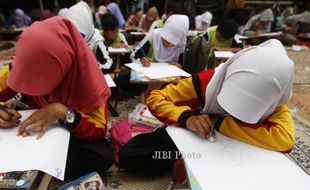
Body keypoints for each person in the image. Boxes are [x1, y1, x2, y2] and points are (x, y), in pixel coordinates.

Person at [119, 39, 295, 176]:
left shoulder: (275, 101)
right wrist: (187, 119)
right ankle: (182, 161)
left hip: (237, 151)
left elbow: (285, 139)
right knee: (131, 154)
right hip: (195, 138)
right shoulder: (209, 82)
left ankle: (194, 165)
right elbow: (157, 97)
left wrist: (217, 122)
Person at [0, 16, 114, 179]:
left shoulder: (89, 81)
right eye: (28, 73)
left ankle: (46, 166)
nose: (33, 83)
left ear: (64, 62)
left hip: (66, 134)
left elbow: (98, 130)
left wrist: (61, 111)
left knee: (102, 155)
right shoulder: (22, 66)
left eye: (42, 76)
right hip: (33, 133)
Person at [66, 1, 113, 74]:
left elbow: (108, 64)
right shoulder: (66, 39)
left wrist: (91, 67)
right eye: (71, 33)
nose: (76, 39)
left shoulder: (96, 40)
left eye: (80, 35)